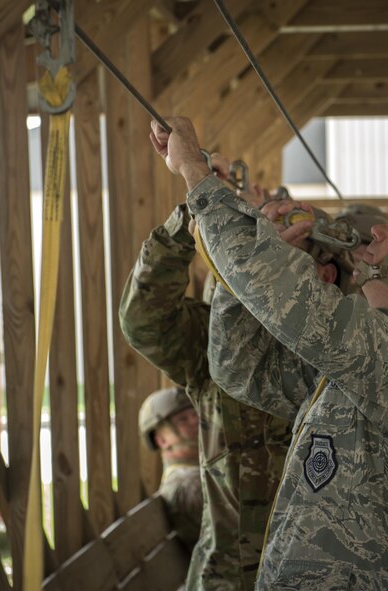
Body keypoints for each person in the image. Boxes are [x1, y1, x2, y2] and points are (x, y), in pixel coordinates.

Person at [148, 116, 388, 590]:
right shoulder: (384, 357)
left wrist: (197, 178)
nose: (380, 233)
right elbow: (243, 370)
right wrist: (236, 286)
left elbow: (285, 296)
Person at [120, 154, 293, 590]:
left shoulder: (329, 332)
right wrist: (195, 212)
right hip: (232, 576)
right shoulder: (208, 341)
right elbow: (143, 319)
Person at [139, 387, 203, 551]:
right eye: (183, 420)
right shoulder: (187, 485)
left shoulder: (198, 475)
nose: (195, 420)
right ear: (162, 441)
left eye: (194, 414)